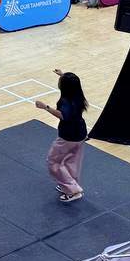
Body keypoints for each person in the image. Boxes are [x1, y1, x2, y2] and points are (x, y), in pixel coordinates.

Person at [35, 68, 89, 202]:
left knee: (53, 161)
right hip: (81, 133)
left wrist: (45, 107)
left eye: (61, 80)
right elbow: (73, 83)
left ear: (65, 86)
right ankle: (71, 184)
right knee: (72, 161)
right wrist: (63, 75)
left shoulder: (66, 101)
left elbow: (62, 115)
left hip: (68, 136)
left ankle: (72, 190)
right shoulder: (77, 95)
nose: (59, 81)